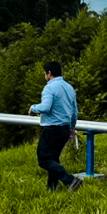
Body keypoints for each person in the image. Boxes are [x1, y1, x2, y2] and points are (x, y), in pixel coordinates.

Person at [30, 62, 83, 192]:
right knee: (53, 159)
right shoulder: (69, 88)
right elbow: (74, 111)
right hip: (65, 129)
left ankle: (70, 180)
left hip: (52, 129)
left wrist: (33, 108)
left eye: (45, 74)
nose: (45, 76)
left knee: (44, 159)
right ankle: (52, 189)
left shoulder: (50, 88)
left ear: (49, 73)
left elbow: (45, 107)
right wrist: (71, 128)